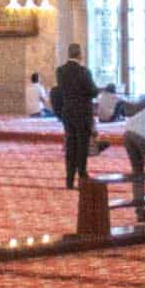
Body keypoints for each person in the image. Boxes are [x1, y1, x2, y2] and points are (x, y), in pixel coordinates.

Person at [51, 43, 97, 190]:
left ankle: (69, 179)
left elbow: (62, 90)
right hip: (82, 113)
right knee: (82, 146)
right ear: (80, 55)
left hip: (68, 112)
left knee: (71, 145)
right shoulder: (84, 71)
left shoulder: (60, 71)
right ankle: (82, 175)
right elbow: (92, 91)